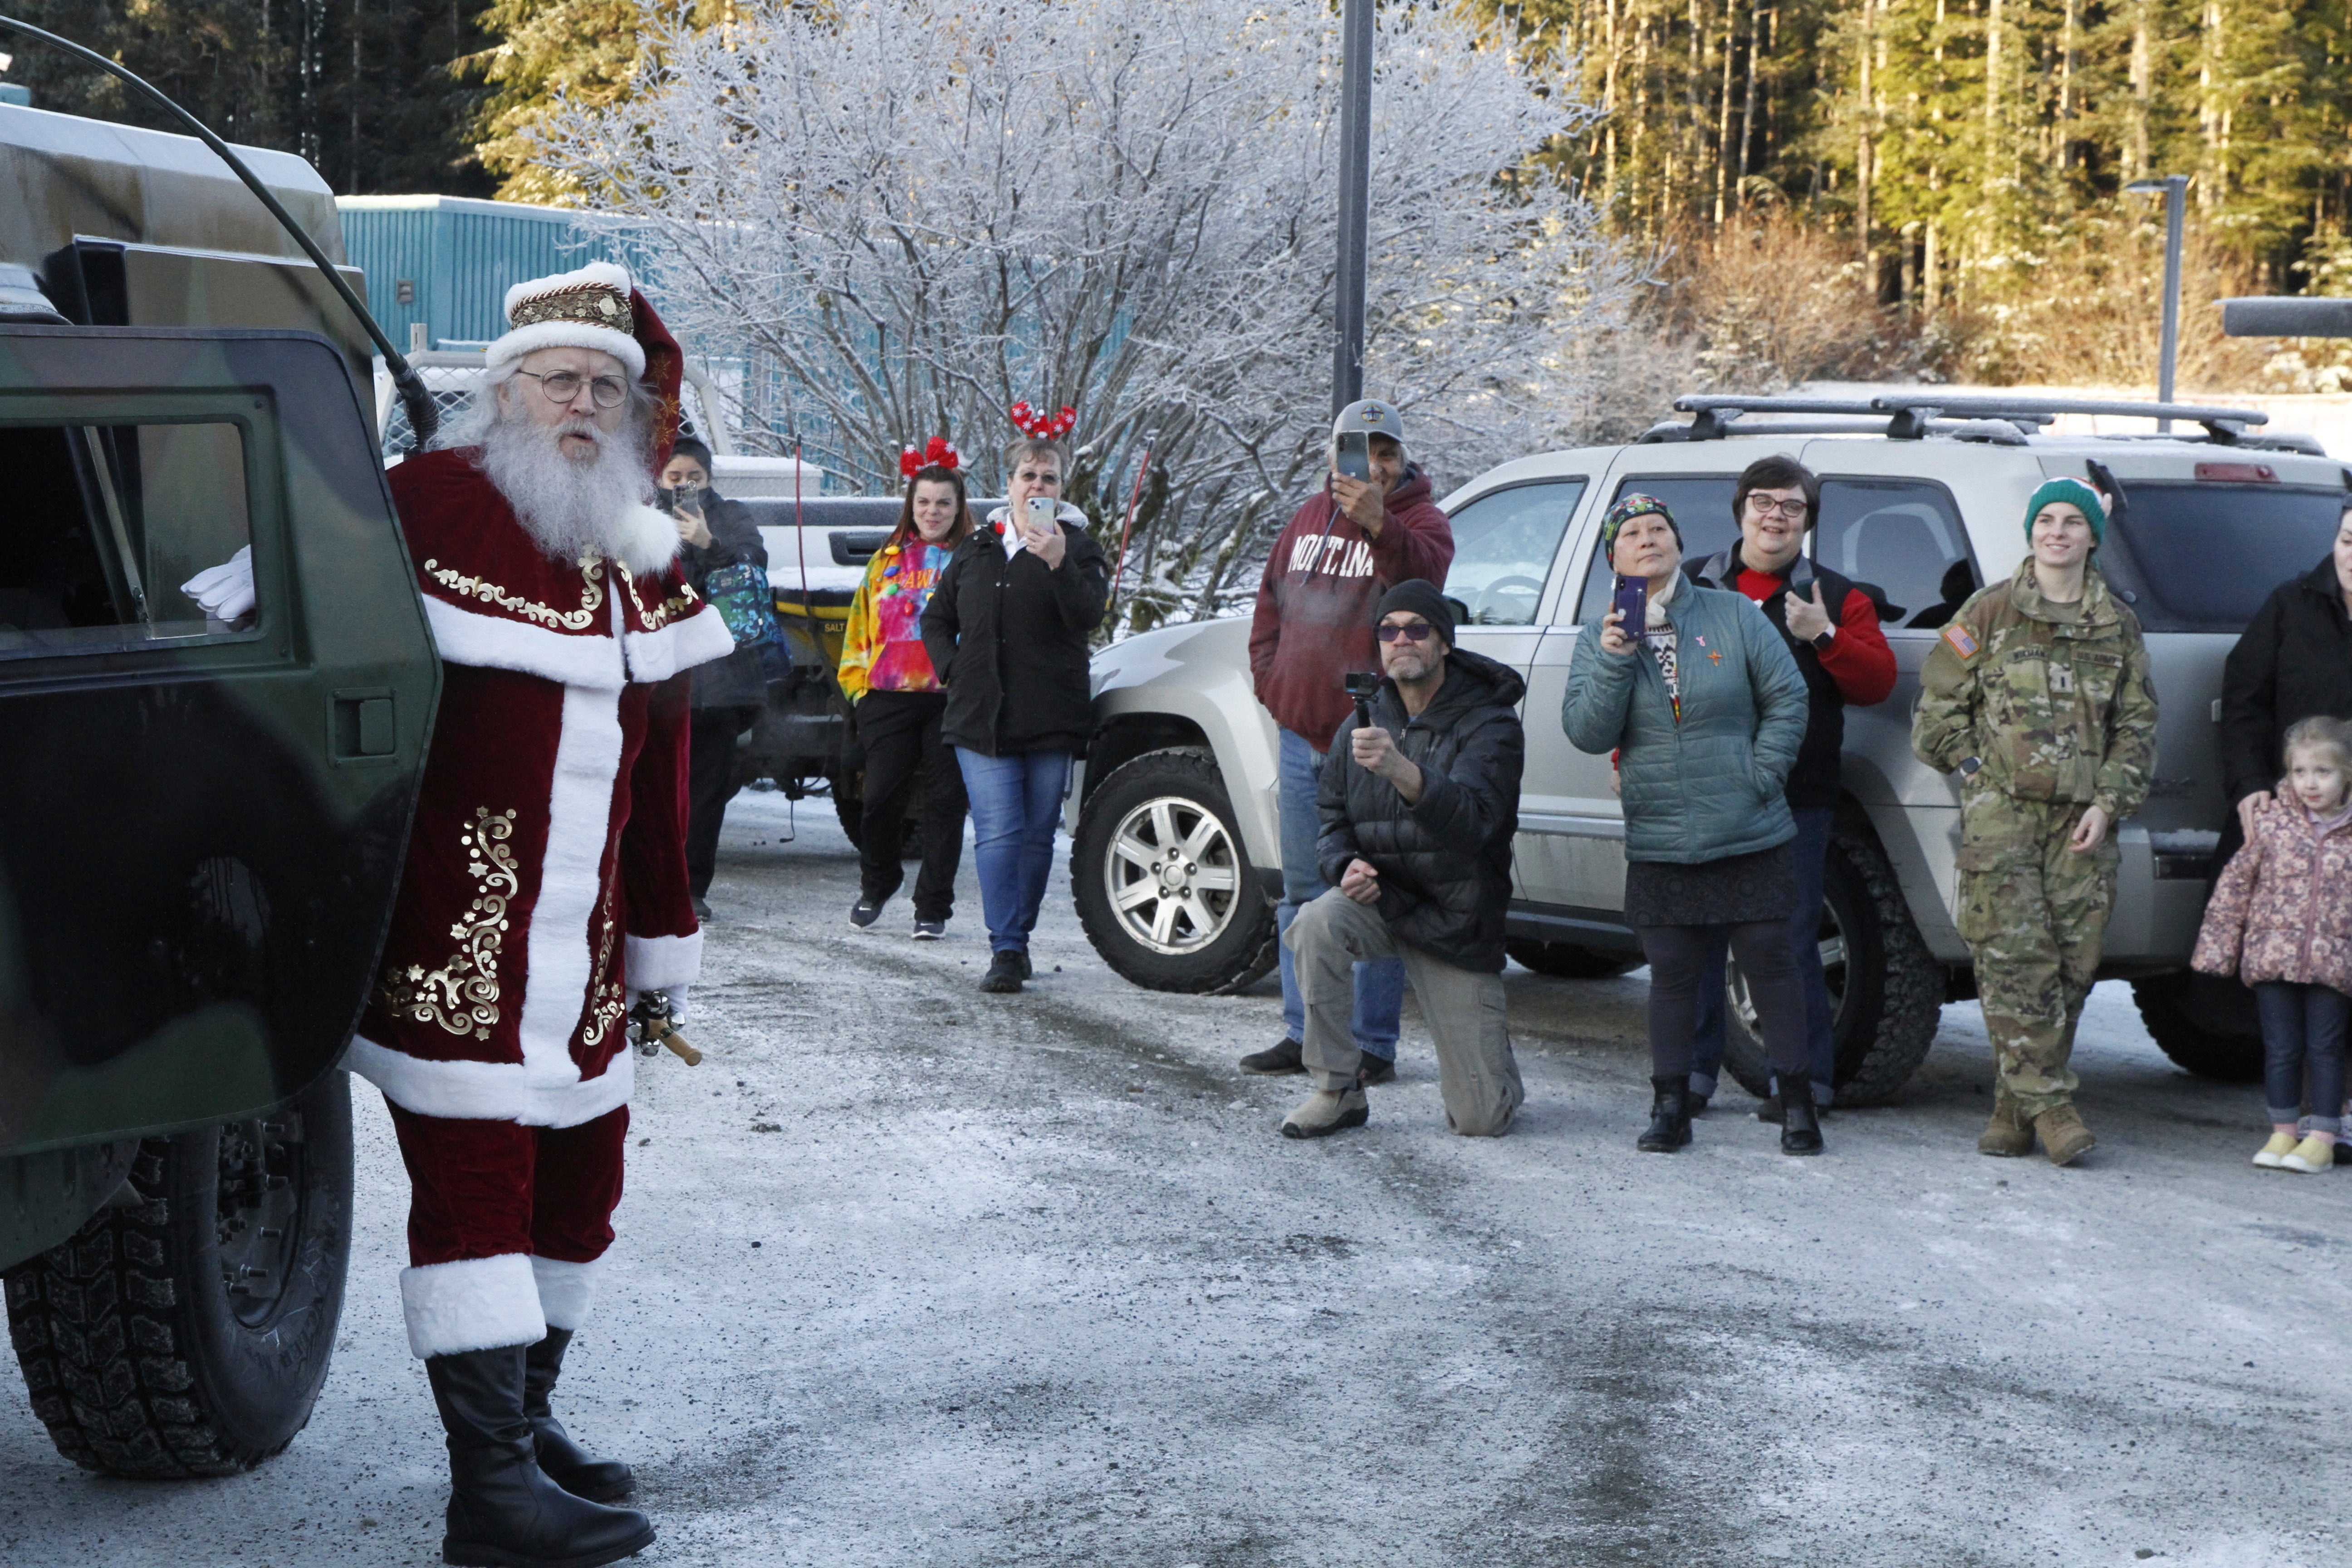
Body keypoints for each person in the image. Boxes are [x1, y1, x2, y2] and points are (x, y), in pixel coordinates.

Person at [353, 263, 735, 1566]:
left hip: (586, 955)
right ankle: (490, 1494)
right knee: (478, 1189)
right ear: (506, 391)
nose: (582, 404)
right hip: (455, 938)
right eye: (561, 380)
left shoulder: (634, 544)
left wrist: (663, 941)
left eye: (605, 390)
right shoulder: (417, 507)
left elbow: (664, 773)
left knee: (583, 1180)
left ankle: (524, 1420)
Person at [1563, 495, 1822, 1156]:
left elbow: (1788, 697)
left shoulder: (1732, 613)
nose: (1648, 539)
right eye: (1631, 534)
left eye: (1659, 529)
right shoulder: (1599, 637)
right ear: (1614, 560)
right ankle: (1670, 1107)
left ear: (1678, 544)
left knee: (1771, 962)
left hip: (1747, 823)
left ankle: (1796, 1103)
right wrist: (1616, 658)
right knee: (1673, 973)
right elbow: (1588, 732)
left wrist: (1761, 774)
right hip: (1662, 833)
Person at [1911, 477, 2157, 1167]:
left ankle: (2011, 1108)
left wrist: (2108, 803)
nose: (2057, 532)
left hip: (2083, 821)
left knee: (2072, 968)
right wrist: (1974, 773)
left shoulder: (2117, 624)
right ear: (2031, 532)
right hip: (2005, 817)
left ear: (2091, 539)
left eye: (2072, 522)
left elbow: (2137, 726)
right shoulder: (1990, 611)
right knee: (2015, 962)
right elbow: (1935, 711)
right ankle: (2054, 1109)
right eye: (2046, 520)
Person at [1241, 398, 1454, 1086]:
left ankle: (1370, 1043)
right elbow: (1269, 605)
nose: (1373, 466)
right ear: (1334, 457)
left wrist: (1379, 524)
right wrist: (1272, 683)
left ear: (1403, 459)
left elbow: (1425, 583)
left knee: (1370, 888)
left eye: (1386, 453)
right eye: (1358, 452)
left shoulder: (1423, 522)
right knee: (1302, 890)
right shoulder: (1308, 516)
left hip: (1370, 740)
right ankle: (1303, 1032)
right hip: (1299, 733)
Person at [1685, 457, 1897, 1118]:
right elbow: (1643, 675)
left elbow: (1877, 682)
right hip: (1698, 792)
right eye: (1763, 502)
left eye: (1792, 506)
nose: (1775, 516)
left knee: (1787, 935)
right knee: (1697, 934)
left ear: (1808, 522)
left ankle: (1802, 1083)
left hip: (1795, 795)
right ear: (1741, 510)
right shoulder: (1690, 584)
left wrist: (1824, 635)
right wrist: (1620, 753)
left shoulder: (1838, 596)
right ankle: (1688, 1078)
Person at [1279, 581, 1527, 1139]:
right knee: (1316, 922)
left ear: (1445, 642)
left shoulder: (1491, 723)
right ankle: (1337, 1090)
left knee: (1481, 1119)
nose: (1402, 640)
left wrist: (1400, 770)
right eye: (1388, 631)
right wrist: (1345, 865)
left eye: (1418, 628)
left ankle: (1492, 1063)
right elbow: (1332, 817)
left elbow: (1474, 825)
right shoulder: (1362, 721)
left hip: (1454, 919)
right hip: (1384, 902)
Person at [920, 414, 1109, 994]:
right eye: (1028, 476)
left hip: (1051, 713)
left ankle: (1018, 935)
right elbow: (936, 619)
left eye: (1049, 478)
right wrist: (955, 668)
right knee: (999, 831)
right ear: (1009, 484)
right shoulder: (977, 548)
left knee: (1036, 834)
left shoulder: (1079, 548)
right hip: (981, 715)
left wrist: (1057, 562)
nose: (1038, 486)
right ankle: (1005, 947)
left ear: (1061, 488)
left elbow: (1088, 615)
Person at [2193, 716, 2352, 1174]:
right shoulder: (2272, 823)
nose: (2310, 783)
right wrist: (2217, 950)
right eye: (2300, 771)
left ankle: (2322, 1137)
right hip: (2273, 958)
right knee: (2282, 1048)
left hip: (2333, 963)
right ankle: (2283, 1132)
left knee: (2326, 1048)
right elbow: (2235, 888)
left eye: (2323, 772)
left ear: (2346, 774)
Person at [839, 440, 974, 937]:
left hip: (951, 700)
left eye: (943, 503)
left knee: (945, 805)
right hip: (888, 697)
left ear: (958, 507)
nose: (932, 512)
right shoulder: (887, 560)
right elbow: (859, 627)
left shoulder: (973, 560)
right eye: (924, 502)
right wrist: (860, 691)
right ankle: (878, 884)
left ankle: (932, 906)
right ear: (911, 506)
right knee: (878, 801)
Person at [663, 435, 770, 921]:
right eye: (675, 478)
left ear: (709, 478)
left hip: (719, 681)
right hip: (659, 675)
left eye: (695, 478)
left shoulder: (731, 516)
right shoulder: (641, 515)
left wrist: (709, 544)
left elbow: (754, 565)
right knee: (653, 788)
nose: (684, 486)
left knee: (706, 792)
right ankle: (648, 883)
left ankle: (691, 888)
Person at [2220, 508, 2352, 852]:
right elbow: (2244, 702)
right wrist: (2249, 781)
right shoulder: (2292, 605)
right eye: (2347, 541)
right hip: (2285, 815)